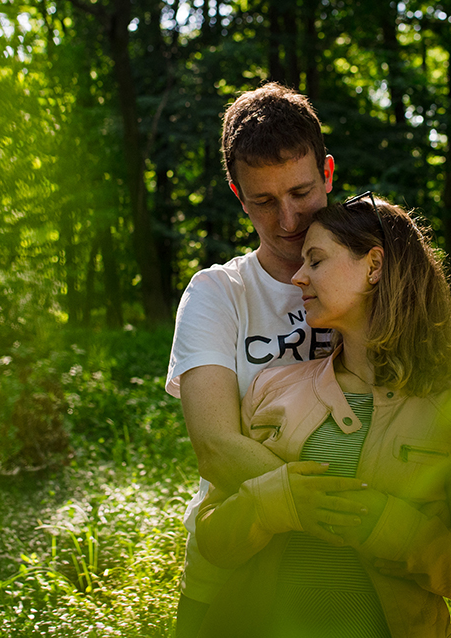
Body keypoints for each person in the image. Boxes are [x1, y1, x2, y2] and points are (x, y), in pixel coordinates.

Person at [194, 194, 451, 638]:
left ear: (374, 266)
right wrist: (271, 503)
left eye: (316, 260)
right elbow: (211, 540)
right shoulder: (273, 387)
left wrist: (395, 529)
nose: (299, 276)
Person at [165, 83, 370, 637]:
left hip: (360, 579)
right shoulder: (217, 294)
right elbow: (216, 449)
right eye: (263, 201)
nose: (288, 220)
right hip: (235, 565)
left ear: (327, 173)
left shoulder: (380, 275)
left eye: (302, 192)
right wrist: (357, 508)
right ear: (237, 193)